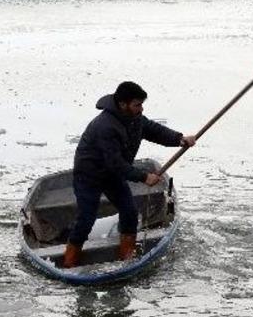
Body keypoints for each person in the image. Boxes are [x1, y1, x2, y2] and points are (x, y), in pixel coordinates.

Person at [63, 81, 196, 268]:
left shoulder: (135, 119)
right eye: (137, 104)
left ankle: (127, 258)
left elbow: (154, 131)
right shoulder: (105, 126)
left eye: (142, 104)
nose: (141, 109)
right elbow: (115, 163)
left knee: (129, 212)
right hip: (89, 176)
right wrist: (144, 177)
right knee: (86, 218)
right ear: (123, 104)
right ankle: (69, 262)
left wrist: (179, 139)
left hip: (113, 175)